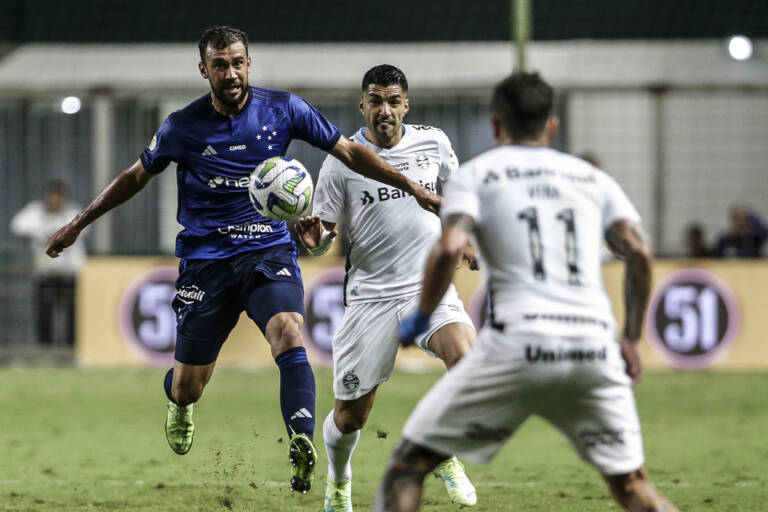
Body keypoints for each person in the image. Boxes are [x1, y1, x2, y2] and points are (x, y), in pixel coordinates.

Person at [45, 26, 440, 494]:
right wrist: (78, 223)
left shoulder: (284, 109)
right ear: (204, 70)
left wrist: (413, 187)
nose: (230, 74)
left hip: (266, 249)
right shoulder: (182, 126)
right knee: (189, 385)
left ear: (249, 63)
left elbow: (350, 151)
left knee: (288, 331)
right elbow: (135, 177)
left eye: (237, 63)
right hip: (205, 260)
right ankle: (179, 401)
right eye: (220, 65)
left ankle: (299, 439)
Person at [374, 71, 679, 512]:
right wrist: (630, 339)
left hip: (517, 345)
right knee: (634, 488)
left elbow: (449, 248)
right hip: (592, 348)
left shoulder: (478, 176)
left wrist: (420, 318)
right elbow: (640, 253)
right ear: (551, 126)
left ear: (496, 125)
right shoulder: (591, 178)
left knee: (407, 467)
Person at [295, 64, 477, 511]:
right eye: (376, 101)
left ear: (406, 105)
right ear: (363, 105)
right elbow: (324, 241)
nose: (385, 110)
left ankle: (438, 451)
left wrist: (465, 237)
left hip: (427, 289)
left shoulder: (434, 143)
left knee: (469, 364)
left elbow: (453, 199)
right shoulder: (342, 160)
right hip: (370, 297)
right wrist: (313, 239)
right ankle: (339, 482)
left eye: (393, 101)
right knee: (351, 416)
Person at [11, 181, 86, 347]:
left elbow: (84, 229)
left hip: (69, 274)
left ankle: (70, 349)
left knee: (72, 315)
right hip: (46, 274)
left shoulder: (73, 212)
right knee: (44, 314)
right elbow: (17, 225)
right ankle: (46, 350)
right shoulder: (36, 212)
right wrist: (42, 231)